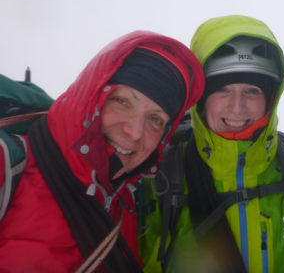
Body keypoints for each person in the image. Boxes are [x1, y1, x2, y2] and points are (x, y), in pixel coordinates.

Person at [140, 15, 284, 272]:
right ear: (202, 98)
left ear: (270, 98)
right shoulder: (167, 169)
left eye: (252, 90)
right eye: (222, 89)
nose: (237, 107)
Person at [0, 31, 204, 272]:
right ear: (91, 97)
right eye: (122, 102)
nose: (135, 132)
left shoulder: (124, 203)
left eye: (155, 119)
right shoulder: (10, 166)